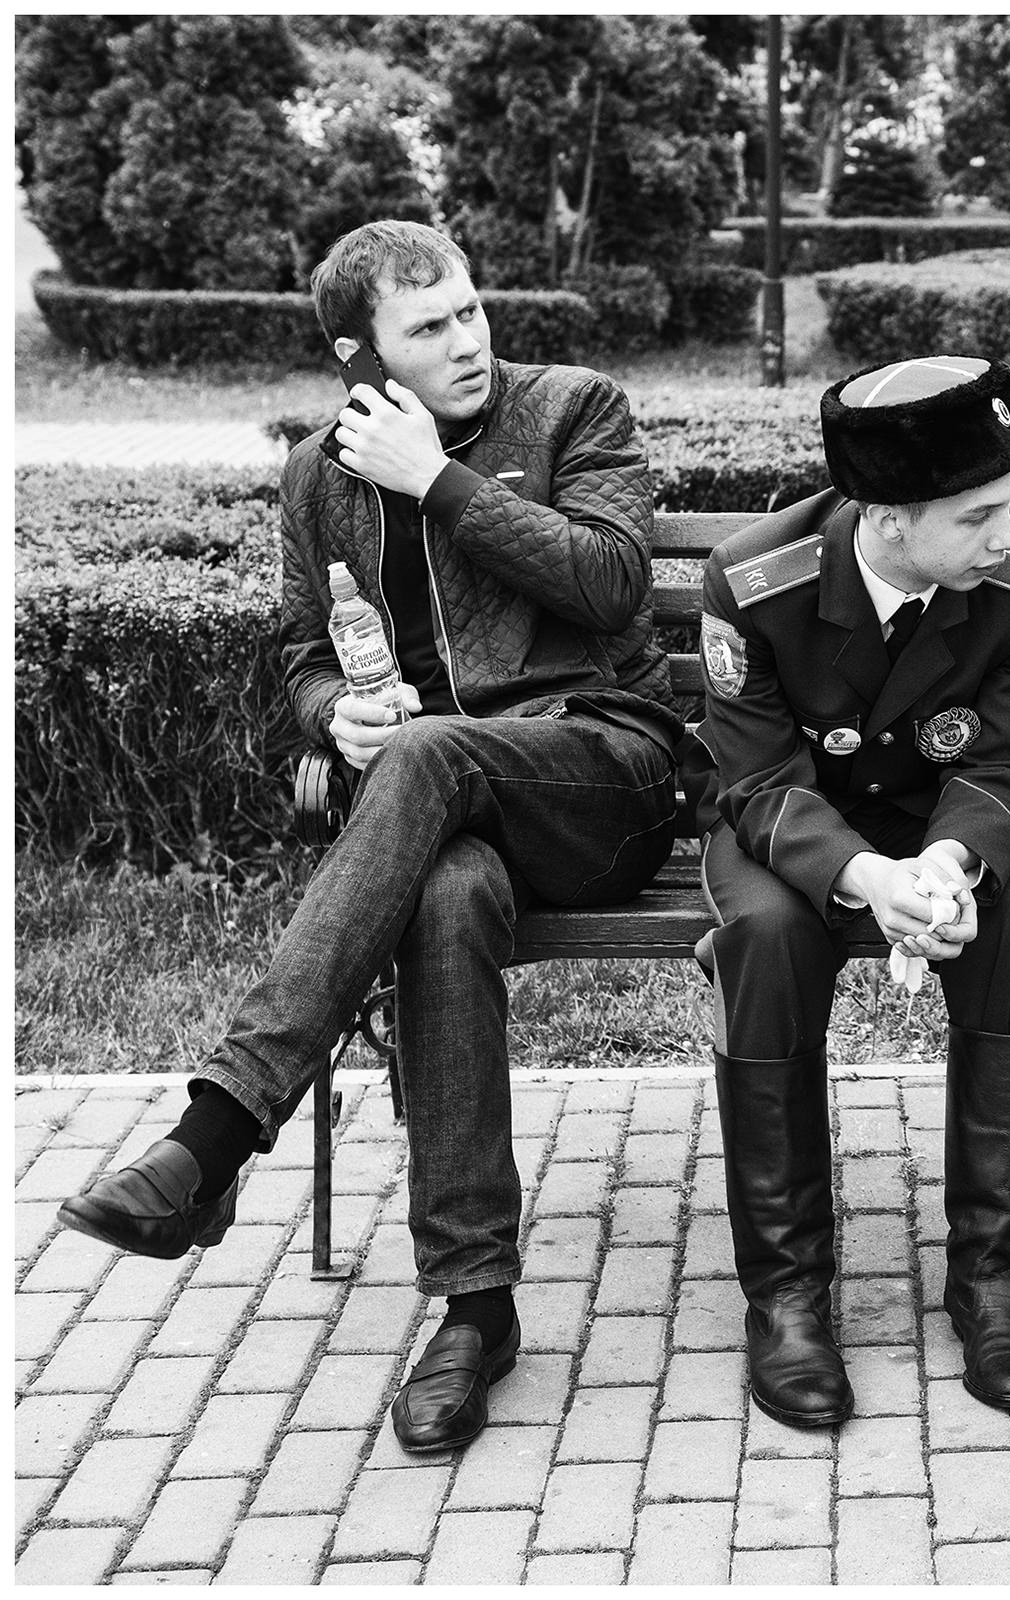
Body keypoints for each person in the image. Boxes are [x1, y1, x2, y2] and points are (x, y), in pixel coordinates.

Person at [57, 220, 684, 1452]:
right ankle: (475, 1304)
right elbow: (301, 656)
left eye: (470, 309)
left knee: (433, 753)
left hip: (602, 774)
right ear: (361, 357)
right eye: (431, 326)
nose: (469, 339)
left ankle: (218, 1131)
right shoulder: (313, 475)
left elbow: (613, 584)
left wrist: (438, 482)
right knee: (444, 892)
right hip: (441, 812)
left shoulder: (572, 410)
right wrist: (336, 715)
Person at [688, 356, 1010, 1421]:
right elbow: (756, 779)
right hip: (791, 824)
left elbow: (1003, 760)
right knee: (765, 941)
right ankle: (789, 1294)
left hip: (935, 822)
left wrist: (946, 865)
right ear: (890, 516)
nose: (1009, 533)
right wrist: (861, 877)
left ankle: (988, 1272)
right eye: (979, 514)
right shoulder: (754, 580)